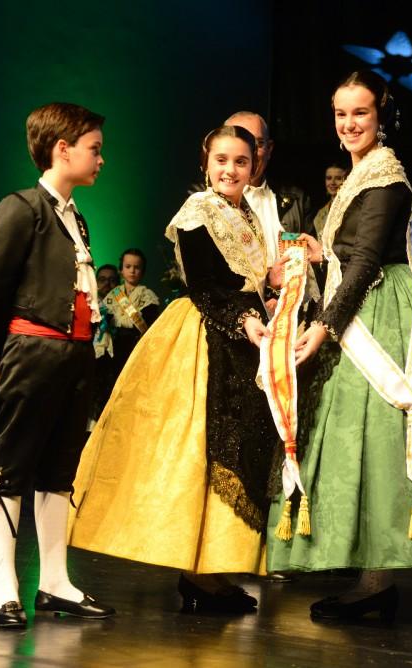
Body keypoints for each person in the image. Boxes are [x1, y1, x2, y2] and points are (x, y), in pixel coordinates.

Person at [266, 71, 412, 621]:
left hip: (381, 312)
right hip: (363, 301)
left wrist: (323, 327)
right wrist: (320, 253)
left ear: (381, 116)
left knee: (377, 442)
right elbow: (352, 252)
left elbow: (368, 262)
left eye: (360, 113)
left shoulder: (385, 178)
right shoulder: (362, 173)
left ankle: (376, 584)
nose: (349, 124)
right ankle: (369, 580)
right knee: (360, 443)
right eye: (341, 114)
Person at [68, 124, 278, 614]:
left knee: (236, 445)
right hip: (206, 334)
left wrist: (269, 290)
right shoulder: (197, 212)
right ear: (206, 162)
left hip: (244, 335)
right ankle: (197, 574)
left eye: (241, 162)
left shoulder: (245, 213)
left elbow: (243, 282)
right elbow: (206, 287)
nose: (231, 170)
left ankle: (212, 569)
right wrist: (246, 318)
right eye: (222, 160)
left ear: (254, 167)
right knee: (199, 447)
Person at [0, 102, 115, 629]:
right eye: (94, 149)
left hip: (73, 356)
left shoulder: (74, 215)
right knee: (11, 467)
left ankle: (55, 582)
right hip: (33, 352)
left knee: (59, 471)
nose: (101, 158)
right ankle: (4, 586)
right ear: (63, 149)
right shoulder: (21, 208)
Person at [226, 111, 312, 264]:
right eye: (241, 143)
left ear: (269, 149)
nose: (251, 153)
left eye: (258, 144)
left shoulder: (296, 198)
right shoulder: (205, 200)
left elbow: (311, 258)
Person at [91, 249, 160, 421]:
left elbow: (148, 324)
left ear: (142, 271)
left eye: (137, 267)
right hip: (112, 350)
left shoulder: (148, 296)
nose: (132, 271)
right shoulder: (113, 295)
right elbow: (103, 317)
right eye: (128, 266)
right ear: (121, 270)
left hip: (134, 348)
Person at [312, 163, 348, 237]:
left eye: (338, 178)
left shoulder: (351, 207)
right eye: (329, 178)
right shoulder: (321, 212)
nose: (332, 182)